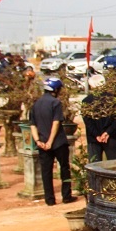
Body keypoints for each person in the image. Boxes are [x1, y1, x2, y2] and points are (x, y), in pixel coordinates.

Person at [30, 77, 75, 206]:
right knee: (64, 168)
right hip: (58, 142)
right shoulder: (55, 103)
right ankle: (66, 196)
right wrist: (50, 141)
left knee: (46, 171)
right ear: (55, 89)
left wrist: (38, 141)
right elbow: (56, 123)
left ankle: (49, 199)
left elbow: (32, 125)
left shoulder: (36, 104)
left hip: (42, 142)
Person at [80, 75, 116, 162]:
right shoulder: (114, 100)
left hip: (94, 138)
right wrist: (107, 132)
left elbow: (87, 121)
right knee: (114, 165)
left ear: (91, 86)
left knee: (94, 166)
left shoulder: (87, 101)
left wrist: (97, 135)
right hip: (111, 136)